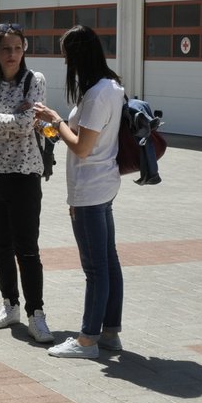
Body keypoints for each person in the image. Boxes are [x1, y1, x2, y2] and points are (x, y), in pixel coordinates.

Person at [32, 25, 123, 360]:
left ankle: (87, 340)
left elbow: (82, 148)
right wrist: (53, 127)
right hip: (104, 183)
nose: (65, 61)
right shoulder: (112, 85)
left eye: (66, 54)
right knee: (108, 262)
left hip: (90, 188)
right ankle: (110, 332)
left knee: (96, 267)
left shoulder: (98, 93)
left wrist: (56, 120)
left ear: (78, 54)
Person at [0, 24, 53, 344]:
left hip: (24, 174)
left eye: (17, 48)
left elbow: (26, 126)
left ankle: (37, 314)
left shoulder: (35, 81)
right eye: (6, 48)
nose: (12, 55)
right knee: (0, 247)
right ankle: (10, 305)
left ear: (25, 49)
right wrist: (9, 119)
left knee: (27, 249)